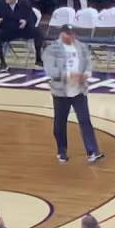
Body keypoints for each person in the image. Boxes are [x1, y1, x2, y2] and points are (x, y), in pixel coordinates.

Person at [43, 25, 103, 163]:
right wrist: (70, 75)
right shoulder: (52, 49)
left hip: (79, 90)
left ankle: (92, 151)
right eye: (68, 34)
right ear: (62, 34)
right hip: (61, 92)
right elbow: (51, 71)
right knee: (60, 123)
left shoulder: (81, 46)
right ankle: (61, 151)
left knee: (85, 121)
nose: (71, 37)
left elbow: (88, 62)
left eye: (72, 34)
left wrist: (86, 74)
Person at [0, 0, 44, 70]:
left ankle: (38, 60)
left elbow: (33, 17)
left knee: (38, 32)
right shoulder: (0, 3)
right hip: (7, 29)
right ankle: (2, 62)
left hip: (22, 29)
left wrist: (26, 21)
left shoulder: (24, 3)